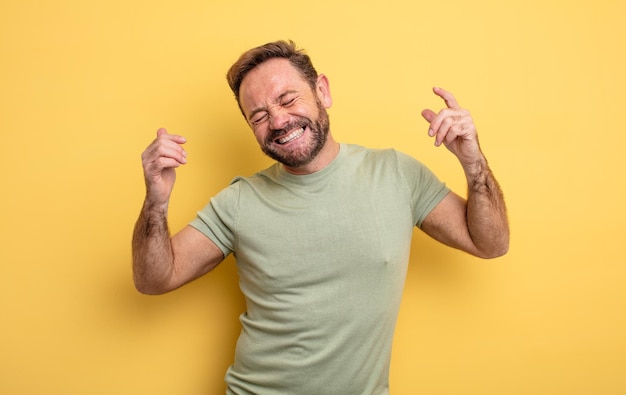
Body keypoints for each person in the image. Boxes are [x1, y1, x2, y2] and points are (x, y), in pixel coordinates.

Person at [132, 40, 509, 395]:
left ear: (322, 91)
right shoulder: (238, 202)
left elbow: (490, 243)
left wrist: (473, 161)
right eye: (259, 115)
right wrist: (156, 202)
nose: (278, 121)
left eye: (287, 99)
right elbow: (154, 278)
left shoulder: (396, 173)